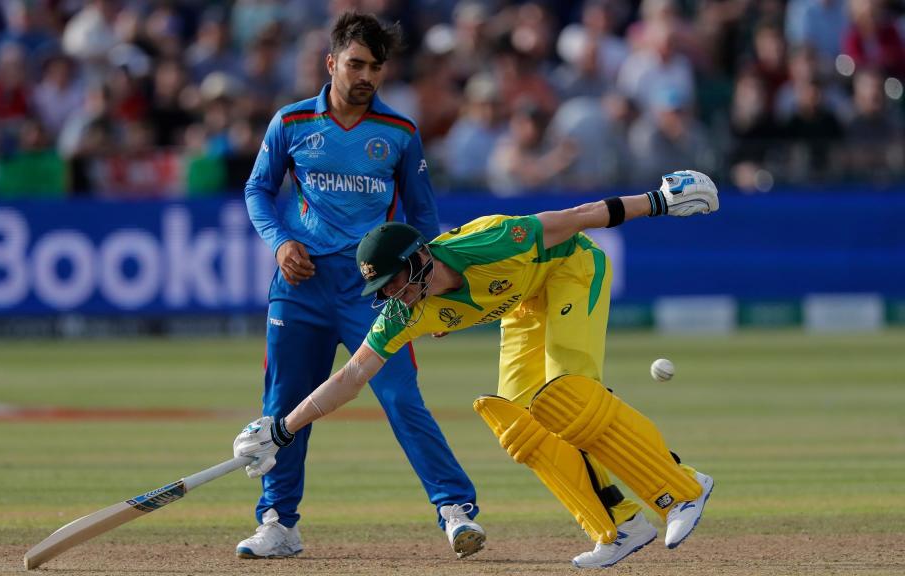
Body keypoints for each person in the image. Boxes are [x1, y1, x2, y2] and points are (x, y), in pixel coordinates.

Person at [235, 170, 720, 568]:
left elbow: (579, 217)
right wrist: (282, 429)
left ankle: (680, 489)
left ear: (417, 257)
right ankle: (619, 526)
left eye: (394, 282)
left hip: (572, 270)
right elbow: (351, 377)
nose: (391, 296)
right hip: (526, 304)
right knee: (520, 423)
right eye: (381, 291)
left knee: (567, 395)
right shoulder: (405, 311)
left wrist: (659, 199)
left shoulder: (488, 242)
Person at [239, 11, 483, 561]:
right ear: (331, 63)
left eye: (376, 66)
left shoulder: (399, 133)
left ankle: (454, 510)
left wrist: (425, 288)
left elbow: (424, 220)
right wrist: (280, 241)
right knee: (284, 405)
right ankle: (278, 523)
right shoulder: (292, 122)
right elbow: (257, 190)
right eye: (355, 64)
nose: (366, 75)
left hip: (375, 293)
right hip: (300, 286)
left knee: (400, 398)